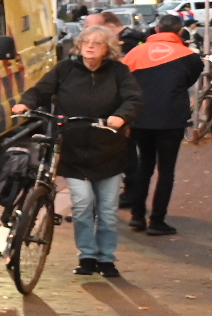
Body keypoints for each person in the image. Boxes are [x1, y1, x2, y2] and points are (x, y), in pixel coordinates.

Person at [15, 26, 140, 277]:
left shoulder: (119, 72)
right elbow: (41, 90)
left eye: (97, 43)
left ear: (108, 50)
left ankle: (106, 258)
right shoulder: (65, 69)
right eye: (86, 42)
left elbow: (133, 98)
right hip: (72, 148)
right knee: (82, 204)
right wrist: (26, 103)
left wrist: (120, 116)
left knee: (107, 209)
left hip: (108, 150)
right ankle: (87, 255)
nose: (90, 46)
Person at [121, 14, 203, 237]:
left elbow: (123, 80)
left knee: (144, 165)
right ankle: (157, 220)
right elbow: (190, 79)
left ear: (156, 30)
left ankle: (137, 216)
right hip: (171, 119)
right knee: (166, 170)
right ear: (179, 32)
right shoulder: (190, 56)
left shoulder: (134, 53)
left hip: (140, 117)